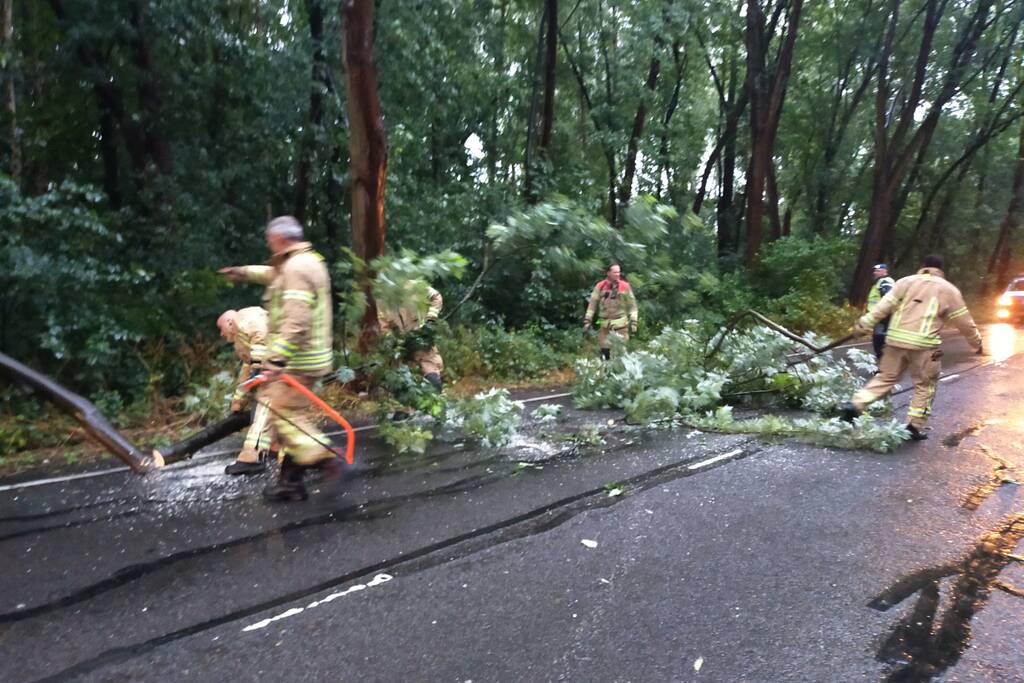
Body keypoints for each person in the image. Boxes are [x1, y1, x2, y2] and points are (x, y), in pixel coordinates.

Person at [219, 216, 337, 501]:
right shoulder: (301, 262)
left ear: (279, 238)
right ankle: (290, 483)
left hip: (299, 359)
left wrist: (276, 361)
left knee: (283, 416)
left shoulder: (297, 267)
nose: (268, 243)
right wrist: (243, 272)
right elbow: (271, 275)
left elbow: (296, 321)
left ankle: (331, 463)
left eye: (269, 239)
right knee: (285, 416)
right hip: (307, 356)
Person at [839, 255, 983, 441]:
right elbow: (965, 323)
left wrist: (863, 325)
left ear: (923, 267)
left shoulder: (904, 282)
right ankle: (913, 426)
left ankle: (856, 404)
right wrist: (977, 342)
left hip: (895, 341)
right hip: (924, 346)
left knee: (885, 377)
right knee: (924, 384)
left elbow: (883, 307)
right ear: (941, 270)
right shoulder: (949, 290)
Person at [217, 307, 274, 475]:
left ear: (229, 322)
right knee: (268, 413)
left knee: (263, 408)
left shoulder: (245, 320)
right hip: (272, 368)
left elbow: (261, 336)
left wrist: (257, 367)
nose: (221, 334)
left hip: (277, 368)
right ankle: (269, 452)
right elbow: (246, 368)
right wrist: (238, 402)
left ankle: (250, 458)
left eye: (221, 329)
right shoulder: (241, 338)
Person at [378, 281, 444, 391]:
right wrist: (392, 342)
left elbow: (436, 297)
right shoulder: (381, 300)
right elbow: (383, 326)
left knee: (433, 378)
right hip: (401, 345)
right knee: (401, 384)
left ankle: (436, 396)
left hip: (421, 337)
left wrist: (430, 321)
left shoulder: (414, 286)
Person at [583, 263, 638, 360]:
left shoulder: (625, 286)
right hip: (604, 326)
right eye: (615, 272)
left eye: (619, 272)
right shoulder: (600, 286)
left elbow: (632, 305)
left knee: (620, 354)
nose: (618, 274)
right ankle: (605, 372)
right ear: (608, 273)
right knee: (605, 354)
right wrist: (588, 320)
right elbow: (592, 304)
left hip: (621, 326)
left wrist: (634, 321)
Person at [867, 263, 896, 360]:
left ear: (885, 271)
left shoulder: (885, 282)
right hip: (879, 316)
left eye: (878, 271)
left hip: (883, 317)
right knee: (879, 341)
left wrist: (883, 315)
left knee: (879, 341)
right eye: (875, 271)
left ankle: (884, 366)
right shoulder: (879, 282)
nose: (875, 272)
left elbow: (887, 299)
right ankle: (884, 365)